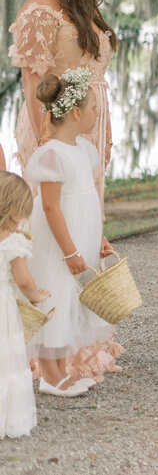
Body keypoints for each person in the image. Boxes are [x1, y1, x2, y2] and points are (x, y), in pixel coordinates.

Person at [24, 69, 124, 397]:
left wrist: (97, 238)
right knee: (53, 298)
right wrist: (69, 251)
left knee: (70, 301)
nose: (99, 113)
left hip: (79, 239)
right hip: (58, 243)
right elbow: (51, 208)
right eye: (95, 108)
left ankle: (58, 372)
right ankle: (51, 376)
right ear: (77, 113)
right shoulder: (53, 154)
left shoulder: (83, 150)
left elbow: (89, 203)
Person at [7, 0, 116, 202]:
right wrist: (49, 143)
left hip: (90, 125)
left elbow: (97, 79)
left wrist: (106, 132)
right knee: (59, 211)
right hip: (57, 128)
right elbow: (33, 83)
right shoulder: (40, 12)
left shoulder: (84, 10)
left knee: (86, 212)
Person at [0, 173, 49, 436]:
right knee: (5, 360)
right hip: (2, 310)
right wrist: (36, 296)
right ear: (13, 210)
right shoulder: (12, 242)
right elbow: (23, 279)